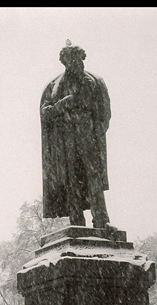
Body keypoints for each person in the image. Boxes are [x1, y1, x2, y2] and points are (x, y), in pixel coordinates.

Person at [40, 40, 113, 229]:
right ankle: (76, 220)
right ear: (65, 62)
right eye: (72, 61)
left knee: (93, 176)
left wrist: (96, 131)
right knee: (71, 178)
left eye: (79, 60)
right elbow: (45, 111)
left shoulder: (95, 81)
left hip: (88, 136)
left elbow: (105, 113)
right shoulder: (54, 86)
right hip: (64, 140)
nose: (77, 64)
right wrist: (64, 104)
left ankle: (101, 220)